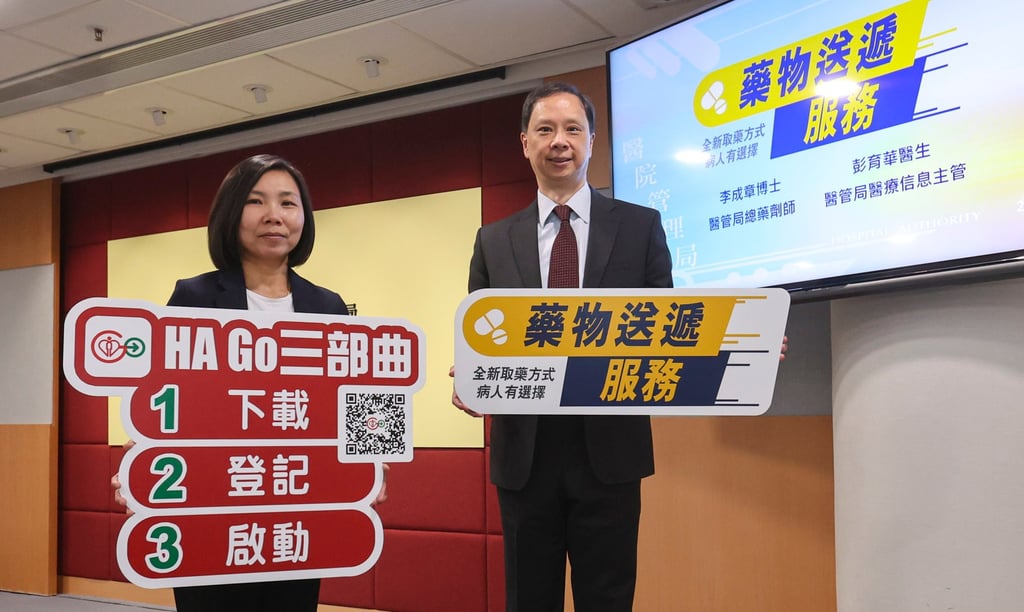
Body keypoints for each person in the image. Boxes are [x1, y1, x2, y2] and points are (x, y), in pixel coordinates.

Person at [111, 154, 386, 611]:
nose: (274, 215)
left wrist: (373, 463)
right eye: (256, 201)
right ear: (231, 213)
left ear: (304, 217)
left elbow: (361, 396)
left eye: (288, 203)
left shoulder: (328, 307)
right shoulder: (194, 297)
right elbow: (162, 398)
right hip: (213, 508)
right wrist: (140, 463)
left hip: (297, 510)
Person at [451, 81, 672, 612]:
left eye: (573, 129)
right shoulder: (493, 240)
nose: (559, 141)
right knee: (529, 600)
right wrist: (471, 379)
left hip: (610, 452)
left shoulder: (640, 227)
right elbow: (479, 337)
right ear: (524, 143)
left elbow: (669, 329)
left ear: (592, 141)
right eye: (545, 129)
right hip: (525, 456)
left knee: (608, 599)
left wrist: (743, 349)